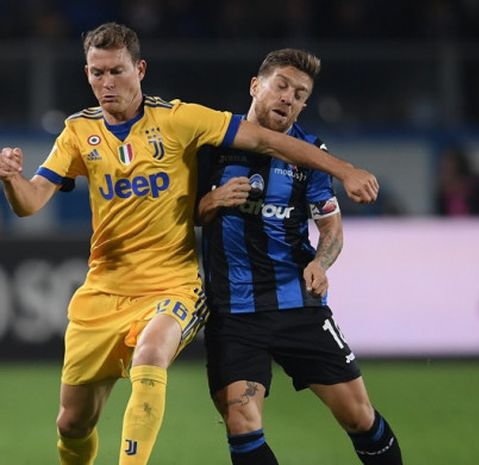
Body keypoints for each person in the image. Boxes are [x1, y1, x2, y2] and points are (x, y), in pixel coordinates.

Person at [0, 23, 379, 465]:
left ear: (139, 69)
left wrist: (345, 171)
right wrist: (10, 180)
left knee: (151, 355)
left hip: (173, 285)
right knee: (72, 424)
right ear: (87, 73)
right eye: (97, 73)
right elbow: (29, 203)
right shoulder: (77, 133)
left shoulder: (181, 119)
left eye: (117, 71)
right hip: (104, 290)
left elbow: (270, 141)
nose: (107, 83)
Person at [197, 48, 403, 465]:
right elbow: (182, 214)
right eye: (282, 85)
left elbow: (331, 227)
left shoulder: (311, 154)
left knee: (360, 417)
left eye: (299, 92)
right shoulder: (213, 143)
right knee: (242, 422)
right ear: (256, 86)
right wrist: (213, 200)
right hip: (234, 313)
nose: (288, 97)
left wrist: (320, 263)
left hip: (298, 305)